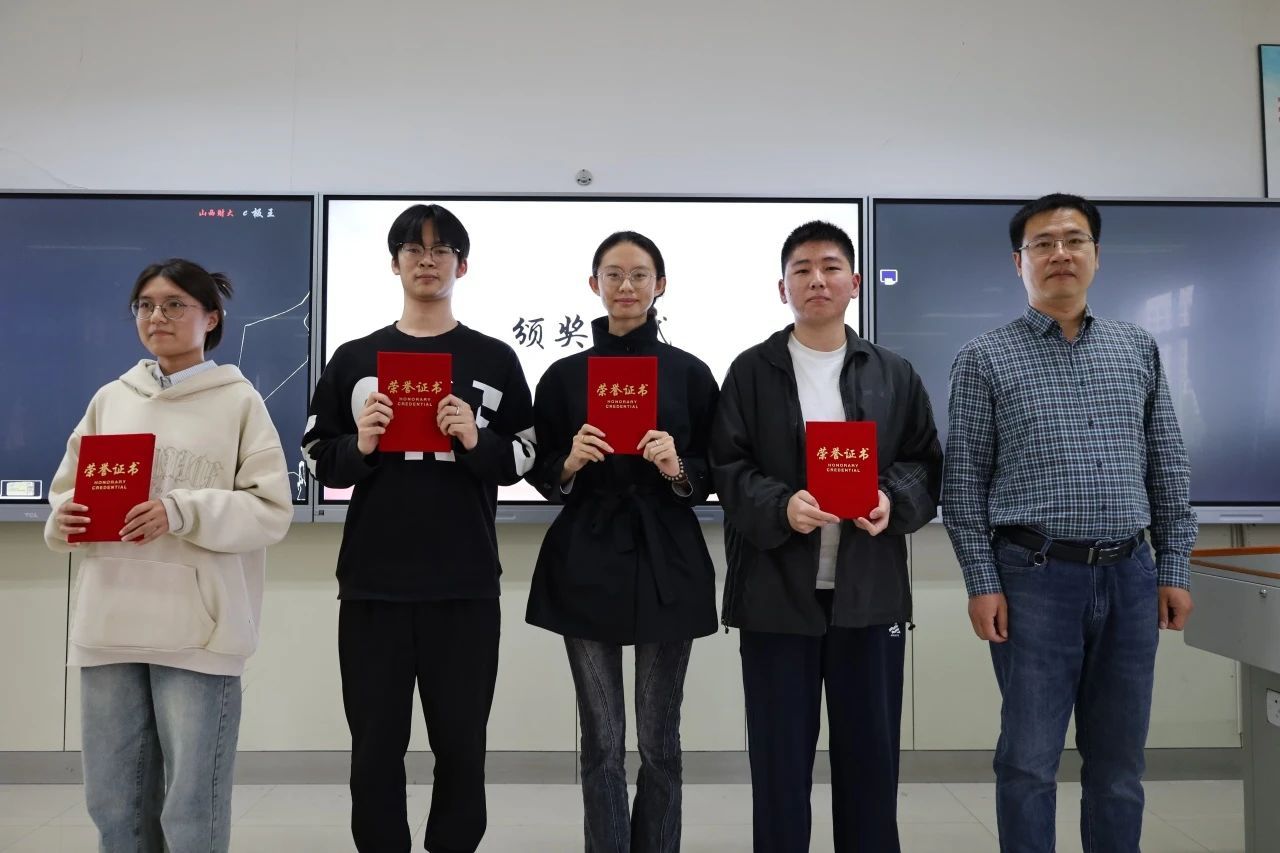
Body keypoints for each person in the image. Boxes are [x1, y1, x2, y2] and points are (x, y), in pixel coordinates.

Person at [942, 193, 1197, 853]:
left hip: (1130, 576)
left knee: (1119, 763)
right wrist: (981, 582)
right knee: (1028, 761)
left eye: (1074, 240)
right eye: (1043, 243)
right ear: (1018, 261)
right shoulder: (984, 357)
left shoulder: (1137, 348)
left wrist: (1173, 566)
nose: (1060, 253)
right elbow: (962, 484)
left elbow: (1167, 464)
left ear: (1096, 255)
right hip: (1033, 578)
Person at [302, 203, 535, 853]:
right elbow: (317, 455)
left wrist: (475, 439)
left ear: (463, 265)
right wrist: (362, 445)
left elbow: (527, 455)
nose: (427, 260)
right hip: (373, 583)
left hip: (464, 582)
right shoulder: (355, 357)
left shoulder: (493, 358)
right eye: (413, 248)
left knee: (462, 744)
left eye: (441, 250)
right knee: (375, 745)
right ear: (394, 263)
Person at [45, 258, 293, 853]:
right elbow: (66, 494)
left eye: (175, 304)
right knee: (114, 803)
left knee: (190, 809)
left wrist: (182, 510)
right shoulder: (111, 399)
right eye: (146, 305)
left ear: (211, 318)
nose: (157, 316)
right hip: (109, 623)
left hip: (198, 634)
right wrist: (64, 519)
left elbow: (270, 510)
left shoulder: (238, 402)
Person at [710, 220, 942, 852]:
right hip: (775, 597)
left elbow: (925, 462)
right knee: (779, 764)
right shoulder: (751, 371)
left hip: (869, 597)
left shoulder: (892, 372)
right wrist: (780, 505)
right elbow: (727, 467)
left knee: (871, 762)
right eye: (802, 270)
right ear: (782, 287)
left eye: (831, 267)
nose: (817, 279)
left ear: (855, 282)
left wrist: (890, 498)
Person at [525, 230, 719, 852]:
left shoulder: (690, 373)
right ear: (595, 284)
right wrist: (568, 462)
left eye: (639, 275)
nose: (626, 286)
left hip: (668, 559)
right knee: (602, 740)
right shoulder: (563, 376)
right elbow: (539, 470)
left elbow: (716, 467)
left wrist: (677, 467)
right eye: (613, 274)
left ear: (660, 285)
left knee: (660, 741)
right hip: (586, 557)